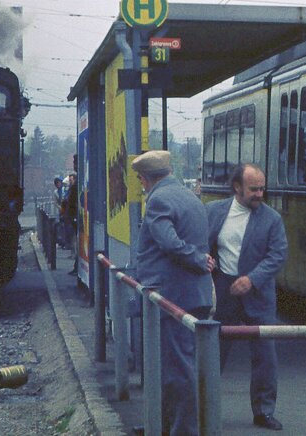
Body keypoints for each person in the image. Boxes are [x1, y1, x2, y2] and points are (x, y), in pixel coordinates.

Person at [132, 149, 213, 436]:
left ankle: (182, 430)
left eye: (141, 181)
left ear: (145, 179)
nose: (142, 186)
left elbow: (169, 242)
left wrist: (197, 259)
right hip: (192, 294)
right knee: (177, 367)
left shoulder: (159, 200)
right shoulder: (189, 196)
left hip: (173, 296)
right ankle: (163, 424)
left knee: (176, 371)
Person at [205, 163, 288, 431]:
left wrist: (252, 279)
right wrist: (202, 258)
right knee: (213, 351)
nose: (260, 194)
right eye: (254, 189)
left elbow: (277, 255)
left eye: (262, 188)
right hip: (224, 290)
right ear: (237, 187)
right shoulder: (214, 212)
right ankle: (204, 406)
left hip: (258, 293)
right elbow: (200, 243)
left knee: (265, 354)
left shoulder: (271, 219)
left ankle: (264, 411)